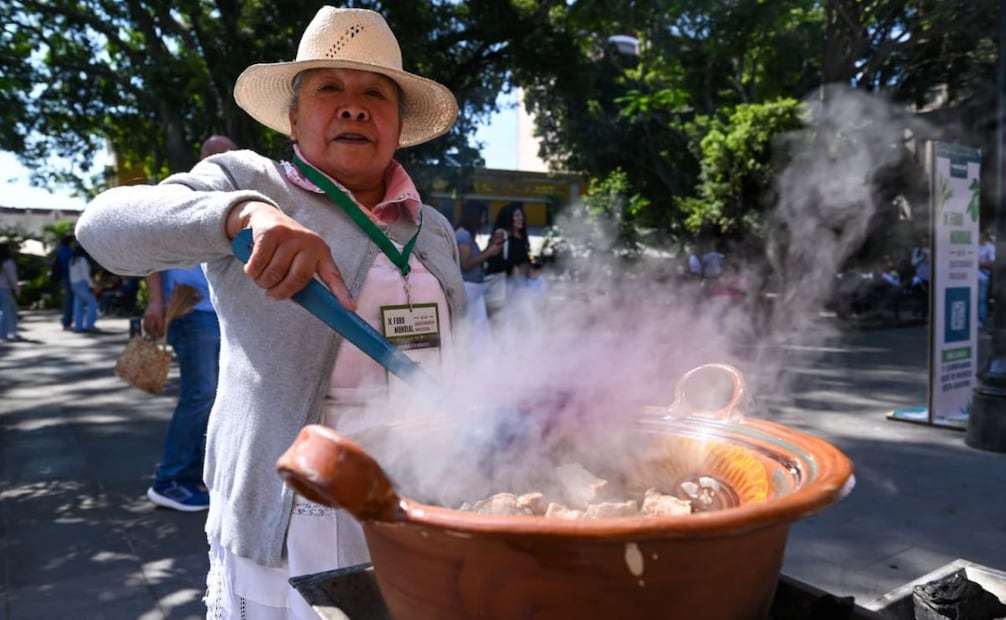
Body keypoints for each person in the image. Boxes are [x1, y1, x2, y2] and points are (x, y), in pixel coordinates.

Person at [75, 7, 464, 618]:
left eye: (374, 93)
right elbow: (102, 227)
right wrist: (239, 215)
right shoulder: (250, 182)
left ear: (399, 122)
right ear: (293, 117)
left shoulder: (431, 227)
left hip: (421, 498)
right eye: (329, 88)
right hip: (296, 510)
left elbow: (463, 354)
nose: (354, 106)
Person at [142, 136, 236, 512]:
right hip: (191, 313)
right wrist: (155, 302)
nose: (221, 159)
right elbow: (151, 252)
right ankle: (170, 479)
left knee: (214, 397)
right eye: (215, 153)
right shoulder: (180, 194)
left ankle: (194, 474)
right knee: (201, 394)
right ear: (203, 157)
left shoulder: (232, 198)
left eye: (227, 153)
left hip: (220, 313)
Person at [455, 202, 503, 358]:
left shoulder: (466, 236)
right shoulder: (463, 235)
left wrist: (490, 247)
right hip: (468, 287)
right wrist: (489, 252)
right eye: (481, 217)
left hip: (473, 288)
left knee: (479, 327)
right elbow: (466, 264)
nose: (483, 221)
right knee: (473, 328)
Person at [484, 202, 532, 324]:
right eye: (517, 215)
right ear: (508, 217)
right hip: (504, 289)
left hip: (518, 289)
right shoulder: (501, 235)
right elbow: (492, 260)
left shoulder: (521, 237)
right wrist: (512, 268)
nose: (521, 218)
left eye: (521, 215)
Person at [68, 244, 98, 332]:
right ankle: (89, 325)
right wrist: (91, 285)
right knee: (93, 303)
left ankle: (79, 326)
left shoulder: (72, 261)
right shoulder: (83, 260)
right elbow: (85, 275)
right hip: (82, 283)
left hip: (74, 284)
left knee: (78, 305)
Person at [0, 242, 20, 341]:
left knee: (7, 311)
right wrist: (17, 289)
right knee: (7, 311)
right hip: (5, 289)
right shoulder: (8, 262)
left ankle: (8, 332)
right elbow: (12, 278)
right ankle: (6, 333)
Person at [56, 234, 76, 330]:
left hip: (64, 277)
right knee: (69, 299)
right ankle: (67, 320)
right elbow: (69, 266)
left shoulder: (60, 250)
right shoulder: (67, 251)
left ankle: (66, 320)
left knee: (68, 299)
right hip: (68, 278)